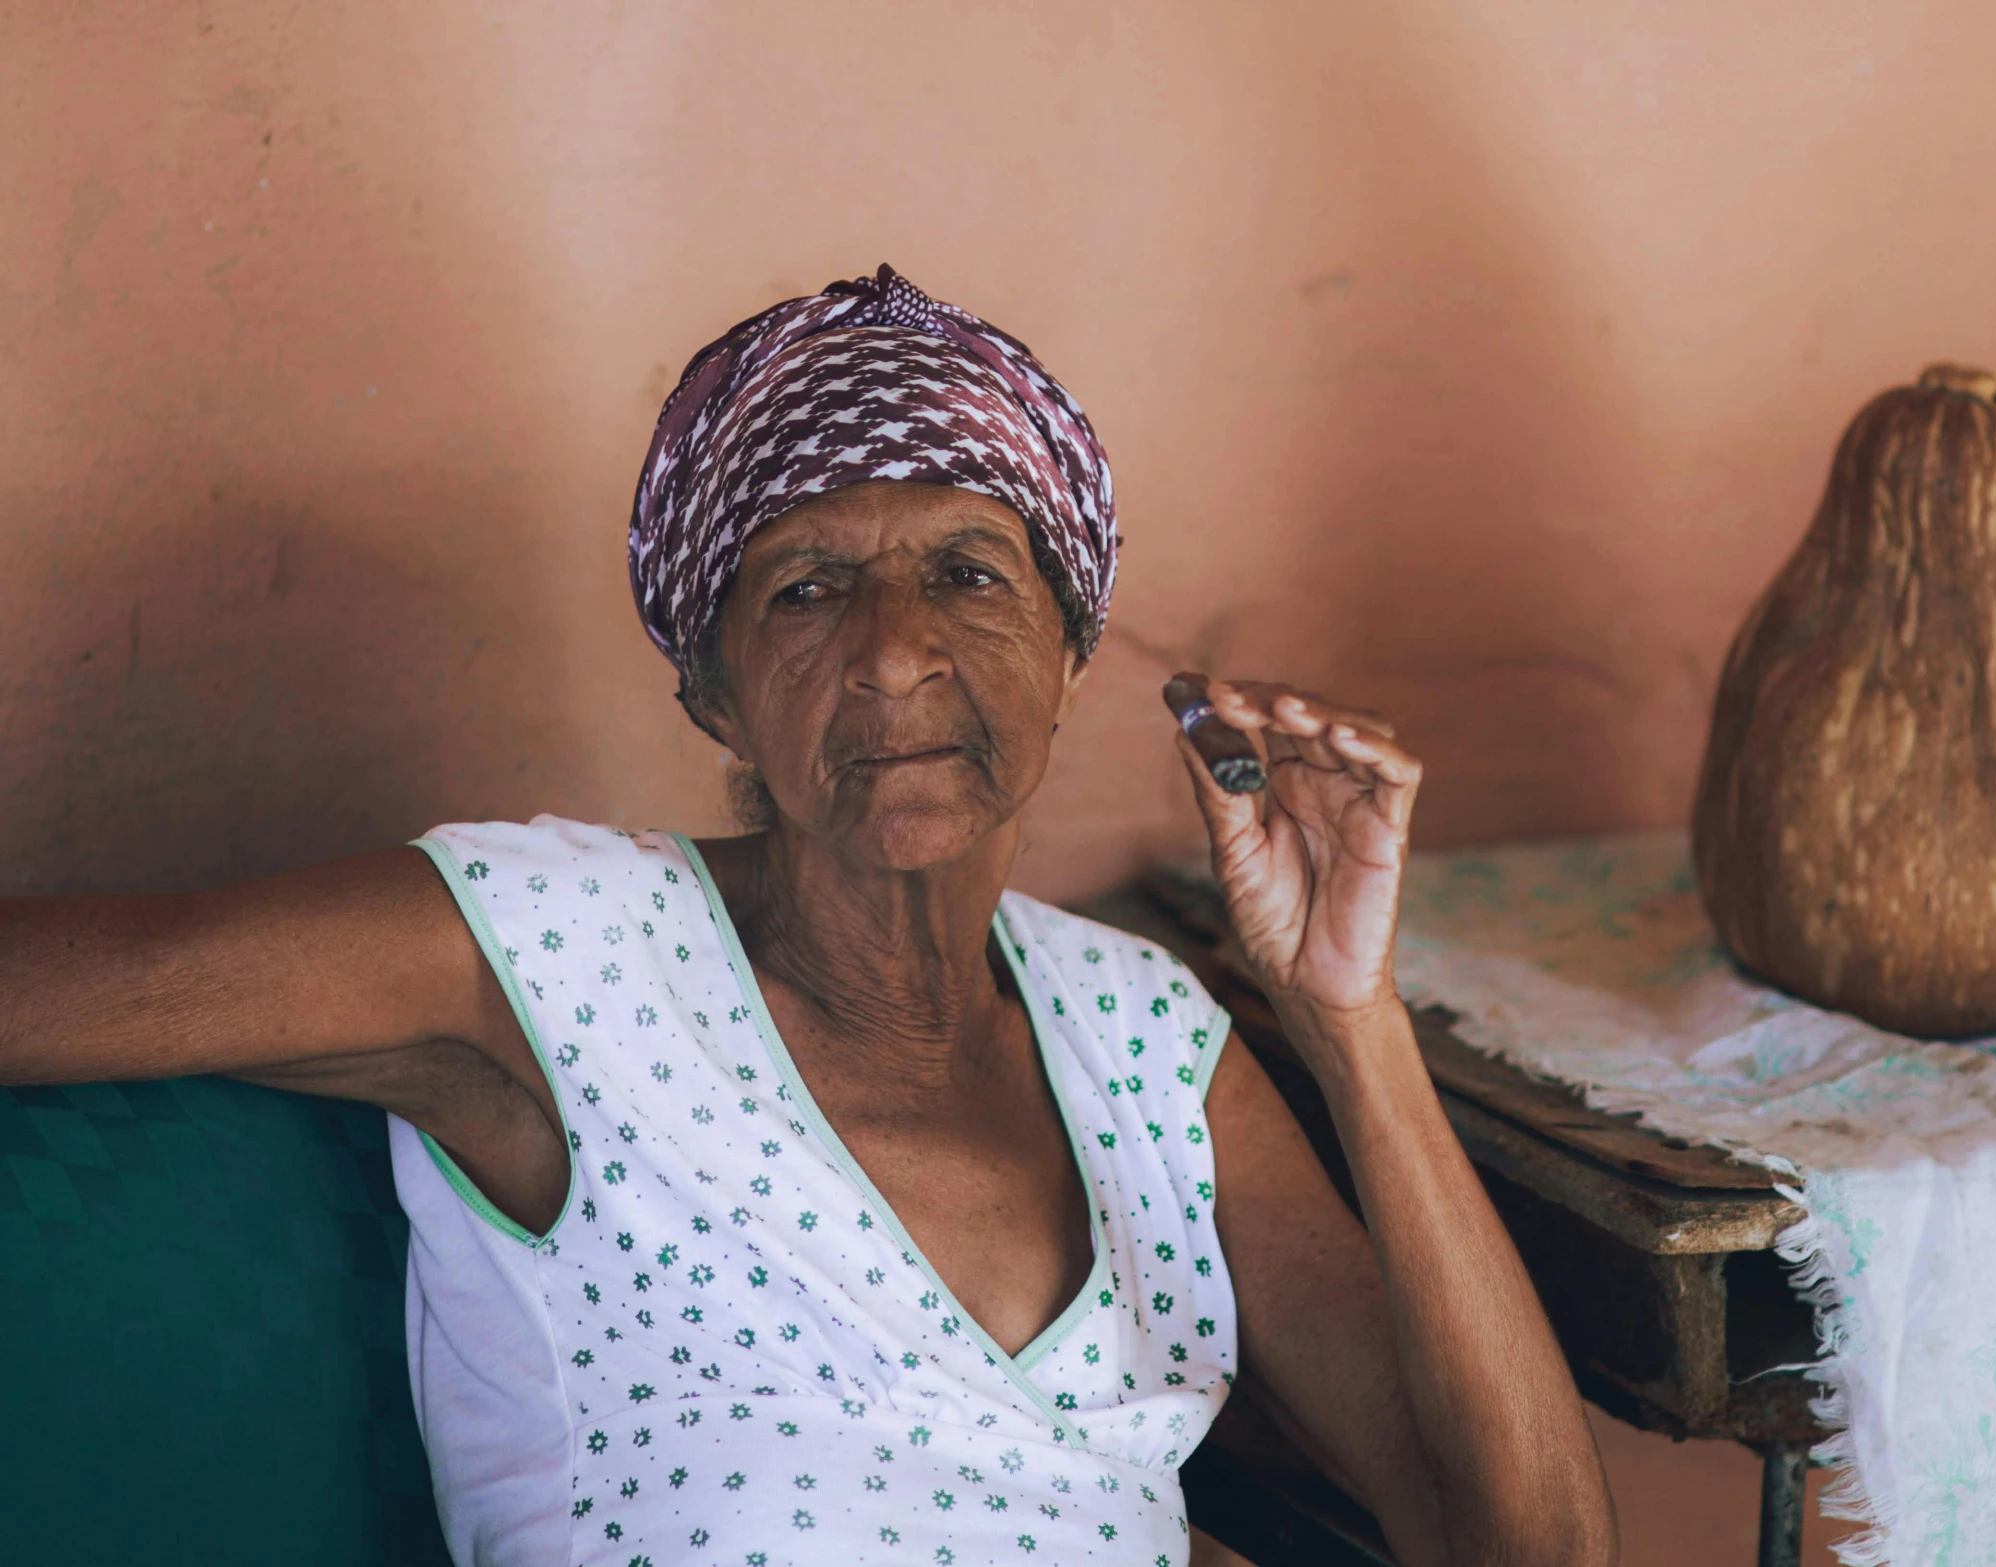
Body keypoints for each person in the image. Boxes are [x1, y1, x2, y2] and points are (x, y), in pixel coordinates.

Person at [0, 267, 1616, 1566]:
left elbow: (1521, 1543)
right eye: (807, 585)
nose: (897, 650)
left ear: (1067, 655)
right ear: (711, 688)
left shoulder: (1146, 1034)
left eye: (972, 574)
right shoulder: (552, 949)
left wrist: (1350, 1020)